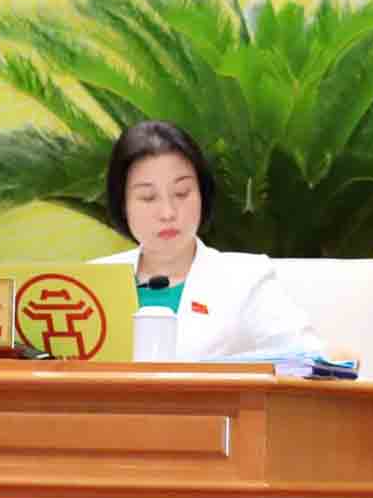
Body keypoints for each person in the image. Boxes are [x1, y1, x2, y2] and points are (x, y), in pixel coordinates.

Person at [91, 120, 347, 365]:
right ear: (122, 204)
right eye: (148, 198)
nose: (168, 212)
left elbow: (310, 358)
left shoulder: (244, 279)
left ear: (203, 193)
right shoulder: (94, 281)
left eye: (181, 193)